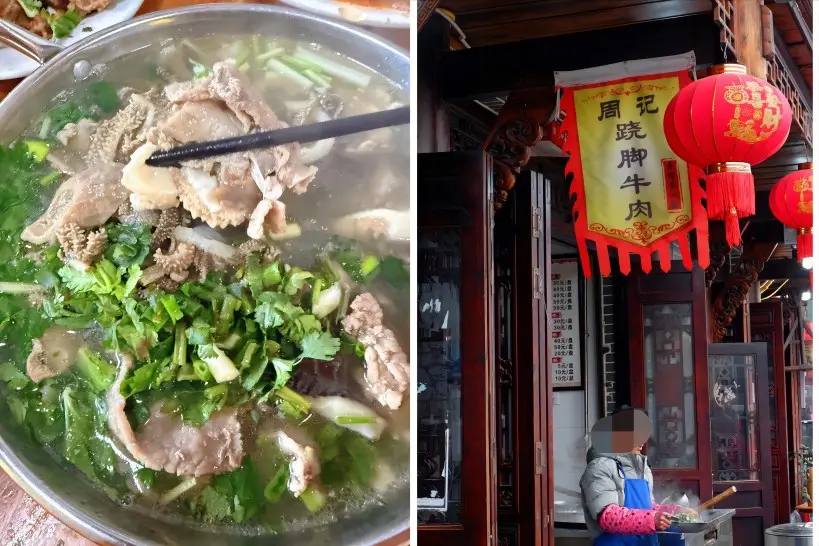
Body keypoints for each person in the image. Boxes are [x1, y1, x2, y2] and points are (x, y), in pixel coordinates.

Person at [579, 406, 697, 544]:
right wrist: (652, 520)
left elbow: (648, 507)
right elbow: (608, 517)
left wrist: (675, 512)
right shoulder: (600, 467)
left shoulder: (643, 468)